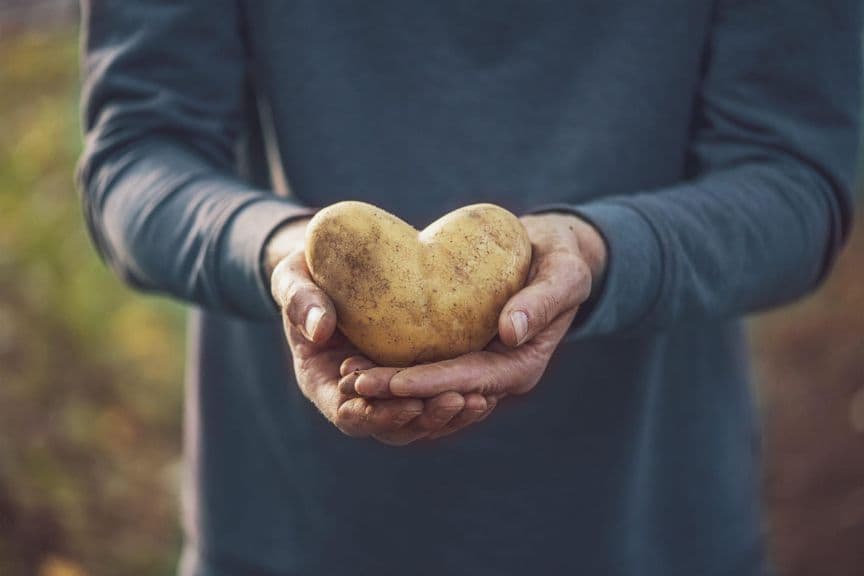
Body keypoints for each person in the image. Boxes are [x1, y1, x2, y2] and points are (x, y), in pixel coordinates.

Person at [77, 1, 861, 574]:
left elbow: (796, 177)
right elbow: (136, 153)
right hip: (294, 530)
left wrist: (599, 253)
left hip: (647, 524)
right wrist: (280, 254)